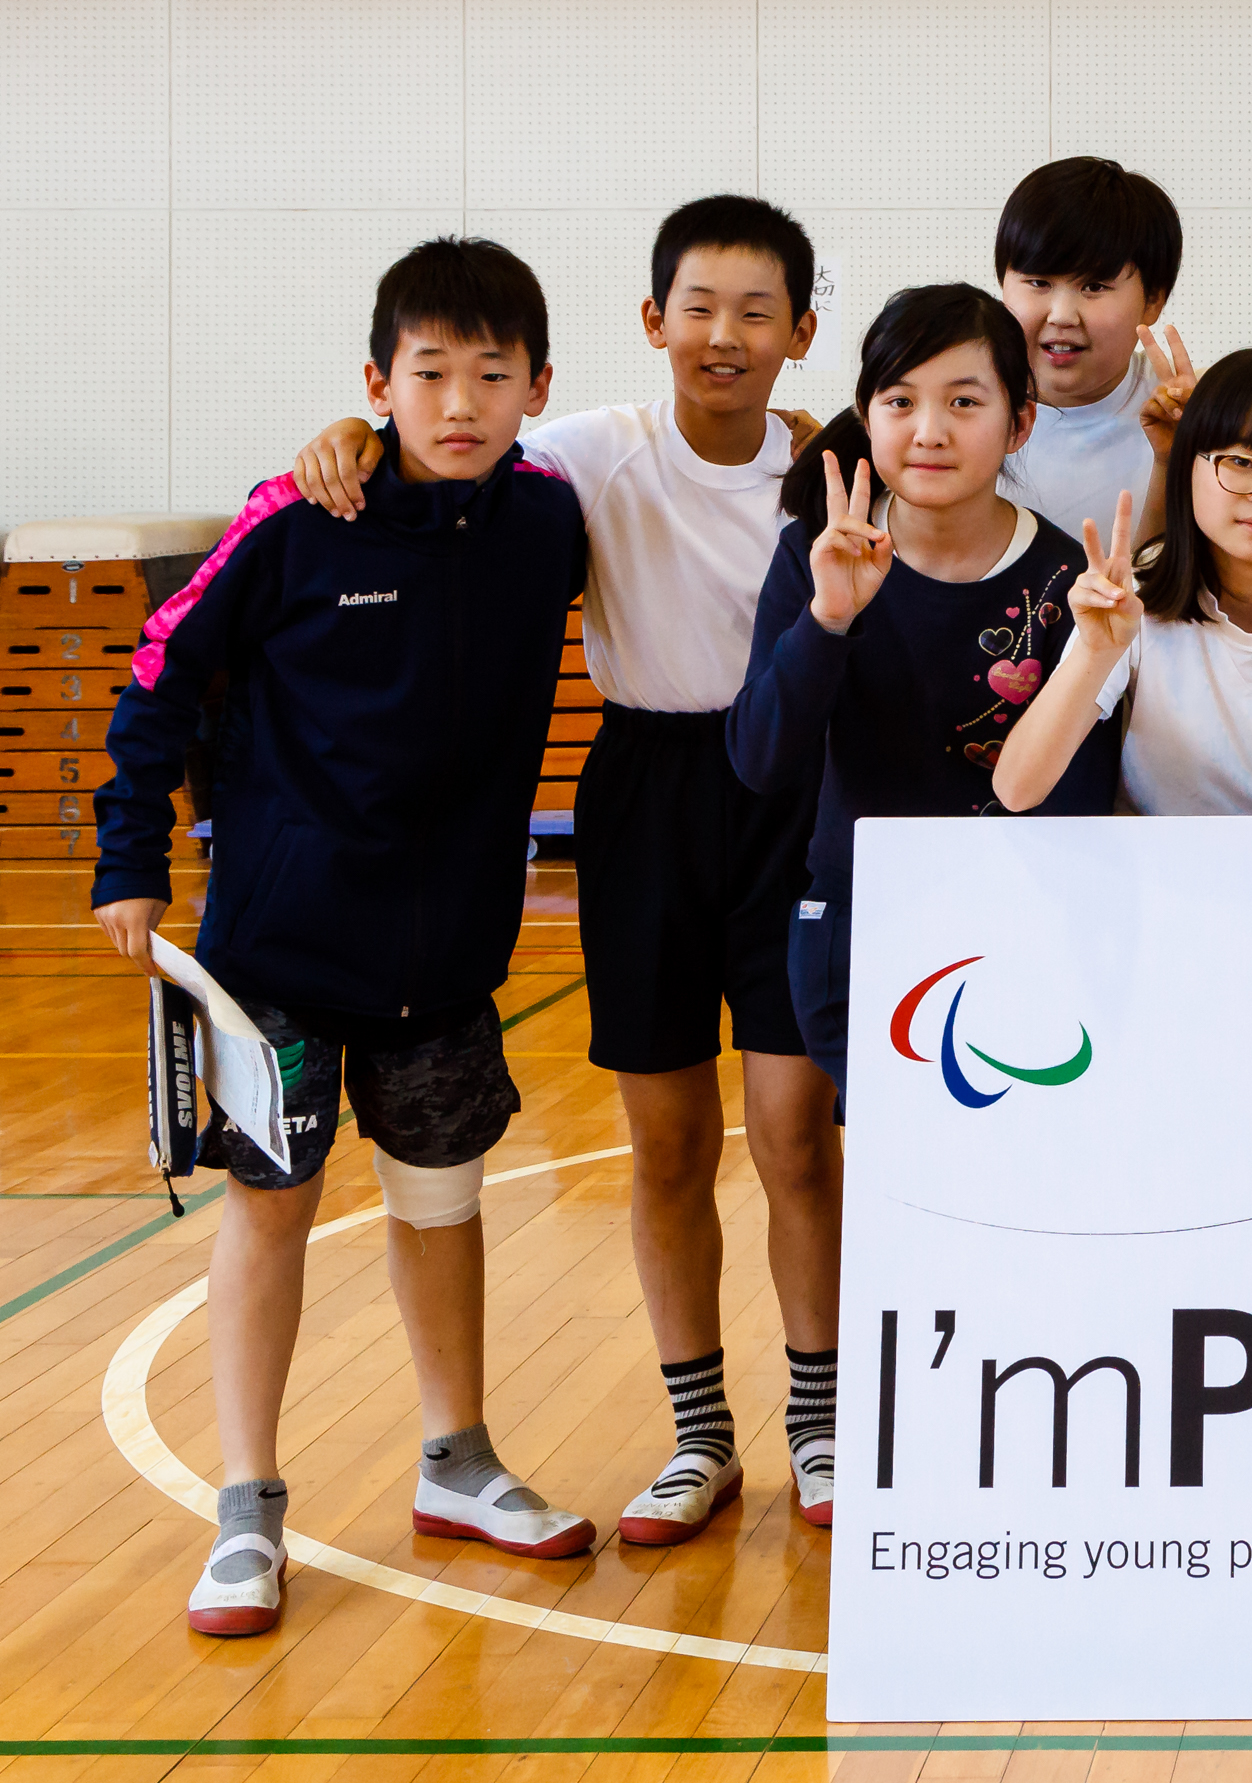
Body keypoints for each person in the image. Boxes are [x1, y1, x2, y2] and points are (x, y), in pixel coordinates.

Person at [284, 195, 846, 1543]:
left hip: (793, 796)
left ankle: (822, 1430)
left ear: (802, 332)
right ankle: (699, 1438)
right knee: (664, 1145)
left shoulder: (833, 468)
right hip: (647, 796)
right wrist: (349, 438)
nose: (725, 334)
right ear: (653, 323)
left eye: (756, 311)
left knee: (793, 1138)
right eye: (699, 308)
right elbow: (439, 450)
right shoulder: (591, 453)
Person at [89, 237, 594, 1637]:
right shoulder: (293, 518)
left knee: (444, 1207)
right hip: (277, 962)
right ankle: (246, 1507)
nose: (461, 401)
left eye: (494, 375)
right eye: (429, 372)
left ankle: (460, 1462)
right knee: (272, 1213)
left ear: (538, 387)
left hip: (447, 965)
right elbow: (157, 675)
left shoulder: (550, 521)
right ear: (378, 382)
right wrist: (128, 858)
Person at [728, 284, 1122, 1113]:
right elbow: (761, 759)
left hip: (1021, 939)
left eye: (965, 402)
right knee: (898, 1207)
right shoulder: (817, 556)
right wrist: (829, 618)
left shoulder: (1065, 583)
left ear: (1019, 423)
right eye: (900, 400)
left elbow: (1071, 799)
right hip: (857, 928)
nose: (929, 430)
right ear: (867, 416)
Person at [992, 348, 1252, 818]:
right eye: (1241, 463)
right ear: (1189, 462)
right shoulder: (1137, 596)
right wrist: (1095, 651)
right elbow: (1016, 789)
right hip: (1154, 873)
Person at [992, 156, 1200, 540]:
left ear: (1153, 301)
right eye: (1038, 282)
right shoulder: (961, 402)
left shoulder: (1187, 411)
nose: (1062, 315)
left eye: (1094, 287)